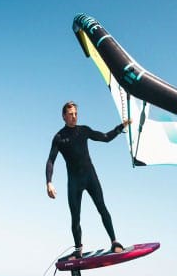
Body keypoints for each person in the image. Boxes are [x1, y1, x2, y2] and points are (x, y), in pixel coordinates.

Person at [46, 101, 131, 259]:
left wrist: (120, 127)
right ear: (64, 116)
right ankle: (78, 249)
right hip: (74, 182)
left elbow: (105, 137)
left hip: (90, 177)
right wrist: (49, 182)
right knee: (75, 217)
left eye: (76, 114)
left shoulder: (84, 131)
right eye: (70, 114)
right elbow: (51, 160)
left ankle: (114, 241)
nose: (74, 117)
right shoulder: (59, 137)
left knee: (102, 208)